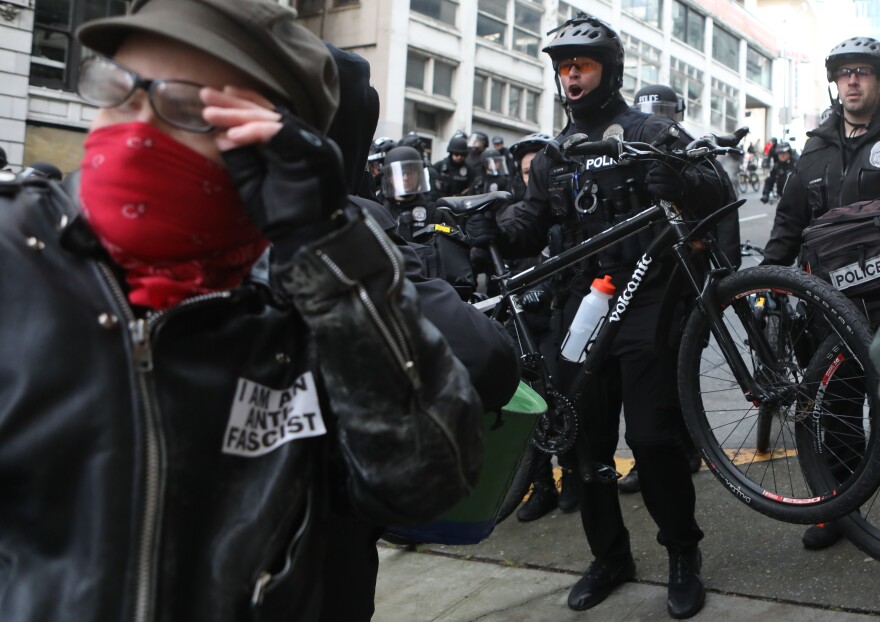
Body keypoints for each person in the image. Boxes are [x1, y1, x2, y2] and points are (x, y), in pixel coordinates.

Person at [0, 2, 521, 621]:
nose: (135, 128)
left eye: (188, 107)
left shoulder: (309, 298)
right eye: (120, 90)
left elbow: (423, 480)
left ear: (277, 146)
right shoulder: (16, 253)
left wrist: (332, 255)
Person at [465, 13, 725, 619]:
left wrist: (680, 179)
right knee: (585, 447)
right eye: (563, 67)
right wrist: (494, 227)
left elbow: (715, 186)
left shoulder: (651, 129)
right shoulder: (554, 152)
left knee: (655, 439)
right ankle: (610, 558)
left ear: (609, 72)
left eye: (581, 64)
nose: (571, 75)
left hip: (650, 300)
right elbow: (532, 224)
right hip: (582, 305)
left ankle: (683, 554)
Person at [761, 35, 880, 552]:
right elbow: (789, 220)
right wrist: (765, 278)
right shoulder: (815, 147)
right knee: (835, 411)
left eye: (864, 71)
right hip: (829, 307)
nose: (852, 80)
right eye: (844, 72)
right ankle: (840, 507)